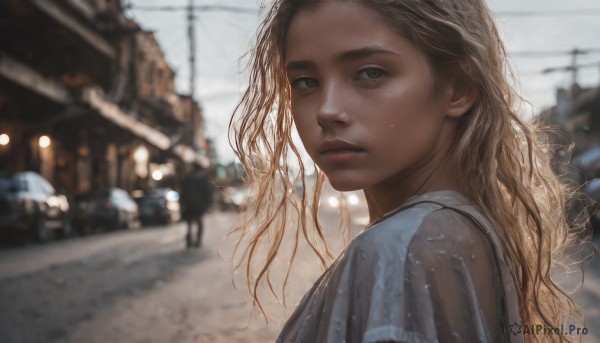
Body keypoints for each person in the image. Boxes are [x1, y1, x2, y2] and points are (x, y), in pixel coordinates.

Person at [229, 0, 586, 342]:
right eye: (306, 81)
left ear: (459, 88)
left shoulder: (403, 249)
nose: (327, 110)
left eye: (370, 73)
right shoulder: (465, 229)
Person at [180, 164, 213, 248]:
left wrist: (182, 203)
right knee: (199, 222)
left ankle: (189, 241)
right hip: (199, 205)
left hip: (189, 205)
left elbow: (183, 192)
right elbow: (207, 193)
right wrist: (207, 204)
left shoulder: (188, 178)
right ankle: (198, 241)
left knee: (189, 224)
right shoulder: (203, 179)